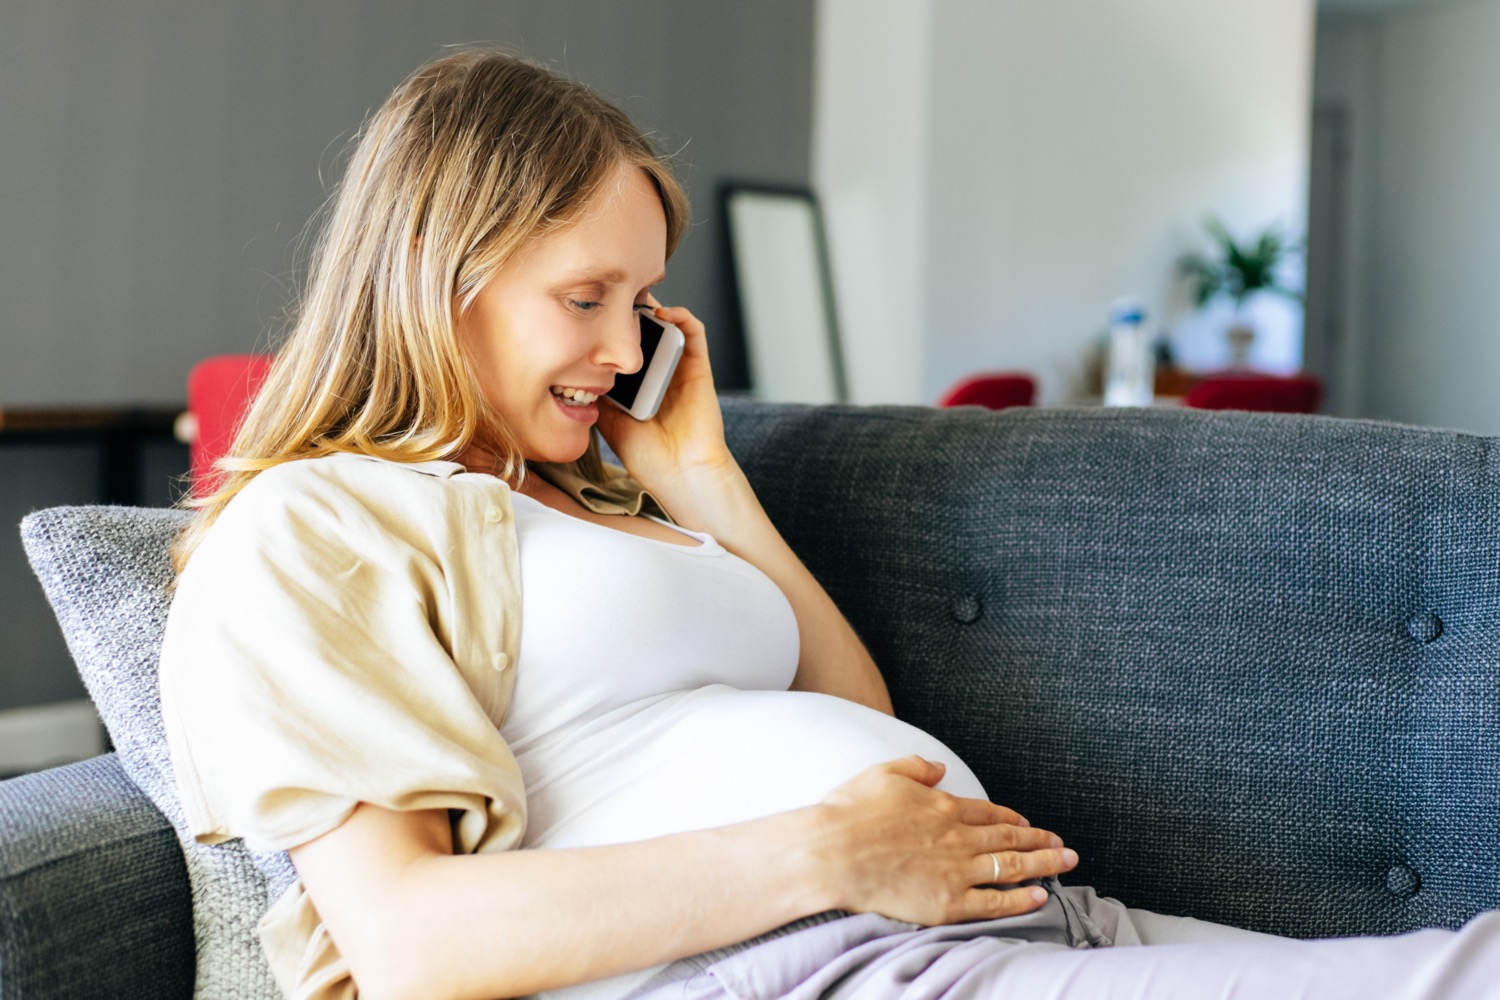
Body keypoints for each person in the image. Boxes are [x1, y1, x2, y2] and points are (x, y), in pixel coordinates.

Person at [159, 48, 1500, 1000]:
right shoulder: (314, 528)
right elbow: (408, 949)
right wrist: (829, 853)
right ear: (439, 276)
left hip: (1017, 924)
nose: (627, 348)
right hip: (813, 962)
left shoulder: (593, 493)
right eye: (587, 297)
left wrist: (704, 485)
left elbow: (862, 714)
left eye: (642, 303)